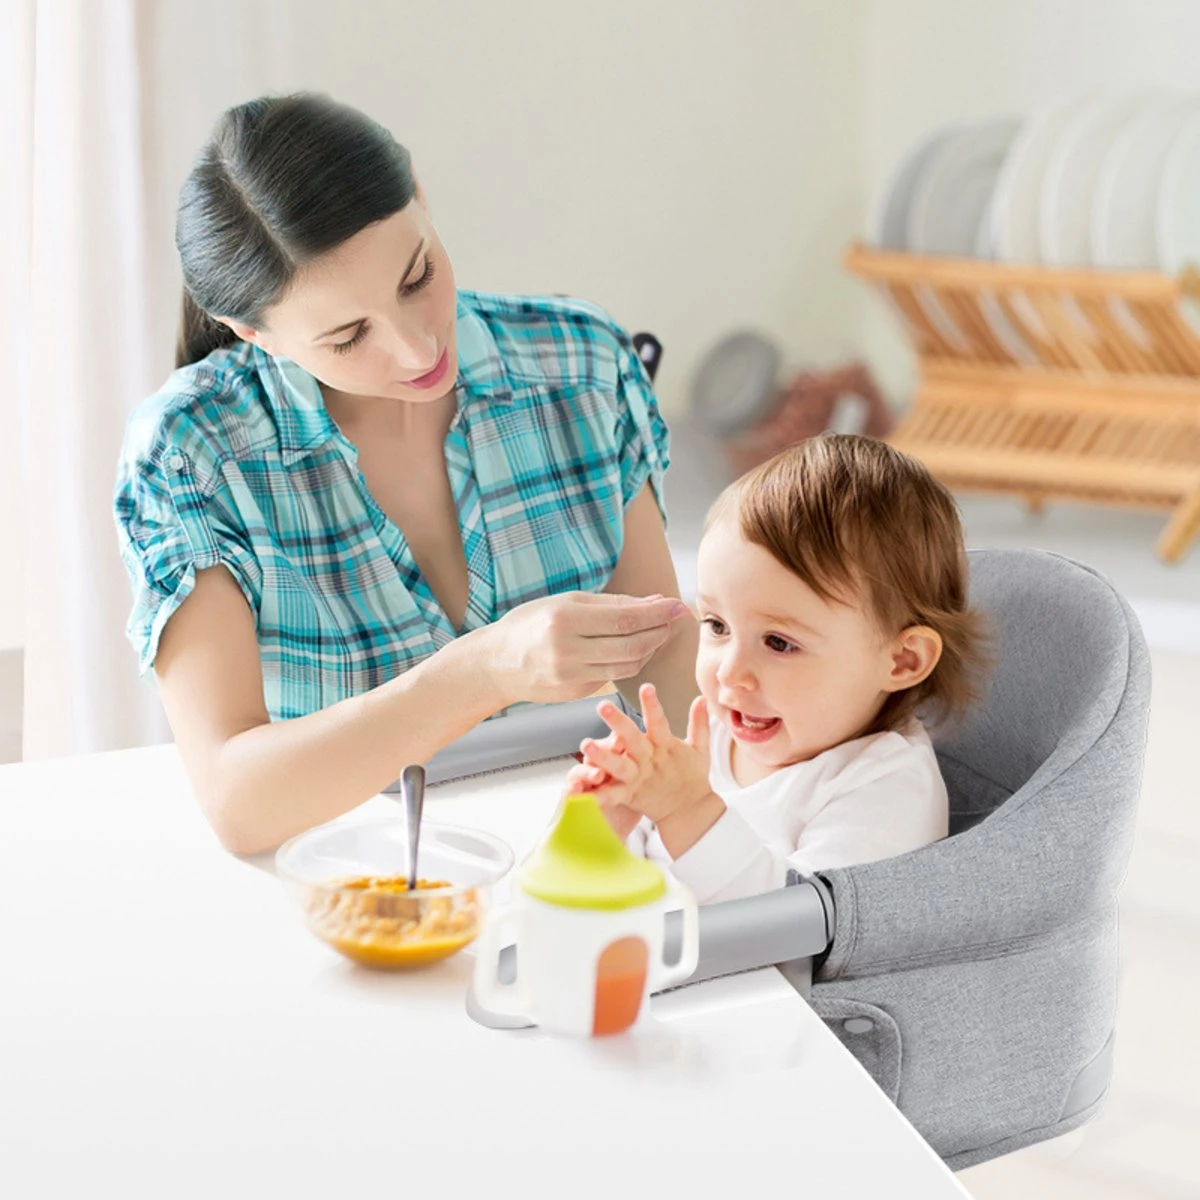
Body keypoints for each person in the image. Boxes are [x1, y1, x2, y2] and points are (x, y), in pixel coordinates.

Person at [113, 93, 697, 855]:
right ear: (255, 334)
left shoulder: (579, 363)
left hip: (580, 859)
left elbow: (668, 668)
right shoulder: (190, 452)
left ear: (419, 194)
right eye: (349, 335)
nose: (419, 351)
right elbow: (237, 799)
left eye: (417, 276)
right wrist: (486, 669)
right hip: (342, 890)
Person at [565, 433, 990, 904]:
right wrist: (610, 821)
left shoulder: (887, 788)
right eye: (717, 625)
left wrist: (686, 809)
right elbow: (646, 876)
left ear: (902, 660)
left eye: (779, 642)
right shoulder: (722, 734)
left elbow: (800, 936)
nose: (730, 673)